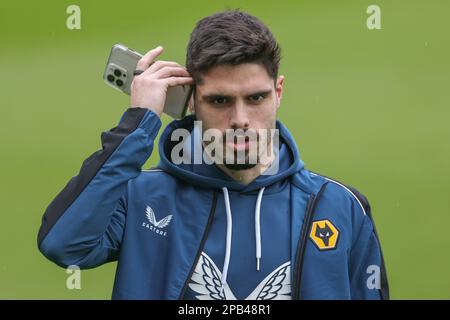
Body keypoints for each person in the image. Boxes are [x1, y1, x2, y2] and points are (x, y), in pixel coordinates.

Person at [37, 10, 389, 300]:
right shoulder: (141, 197)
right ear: (191, 101)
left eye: (256, 98)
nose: (240, 120)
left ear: (278, 92)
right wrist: (138, 125)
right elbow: (64, 245)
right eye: (220, 101)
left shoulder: (339, 207)